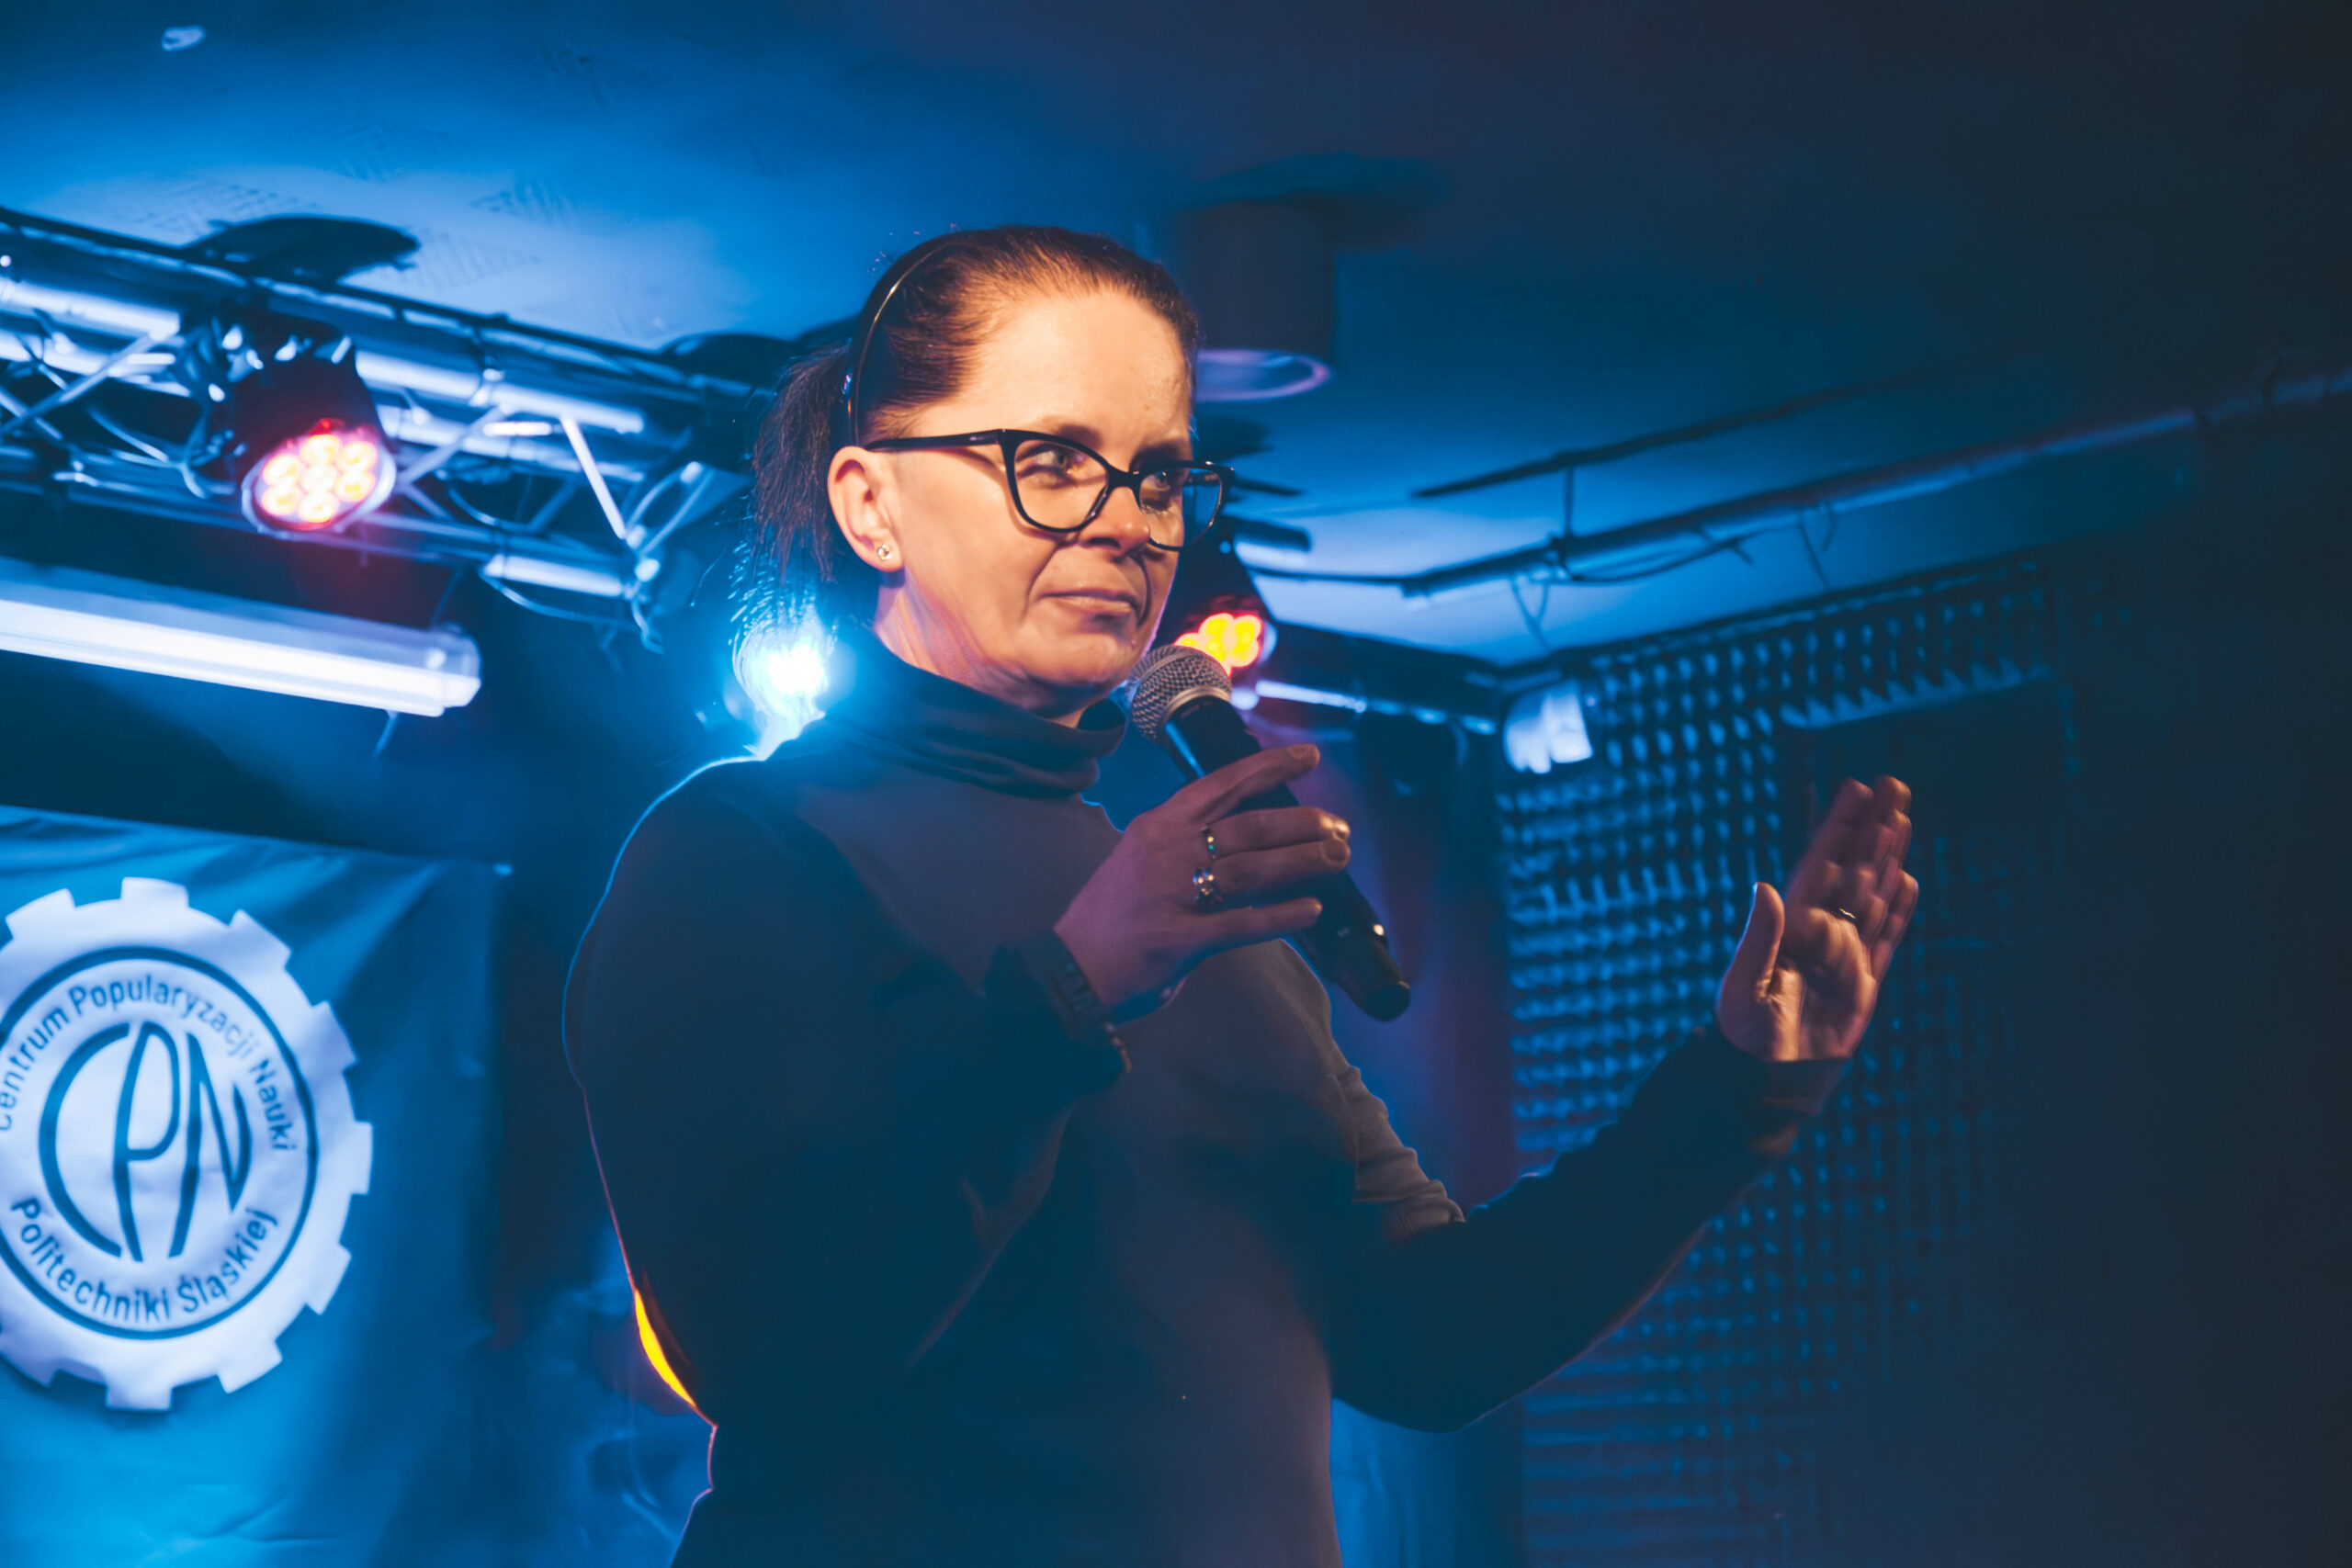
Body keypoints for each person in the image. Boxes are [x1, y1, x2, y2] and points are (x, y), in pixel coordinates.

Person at [565, 227, 1917, 1566]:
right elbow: (771, 1357)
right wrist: (1071, 992)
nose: (1125, 522)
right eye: (1051, 462)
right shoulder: (740, 853)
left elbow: (1431, 1343)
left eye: (1160, 477)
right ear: (873, 503)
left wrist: (1737, 1090)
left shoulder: (1205, 906)